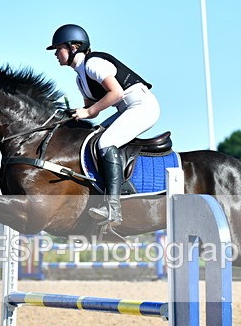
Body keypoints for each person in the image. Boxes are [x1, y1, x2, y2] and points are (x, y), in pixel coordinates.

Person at [47, 24, 160, 226]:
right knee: (93, 136)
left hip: (142, 105)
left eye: (58, 48)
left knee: (105, 142)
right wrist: (72, 114)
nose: (56, 53)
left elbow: (115, 93)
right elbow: (90, 106)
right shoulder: (80, 77)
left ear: (74, 46)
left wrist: (88, 112)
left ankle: (113, 207)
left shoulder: (93, 64)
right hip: (126, 108)